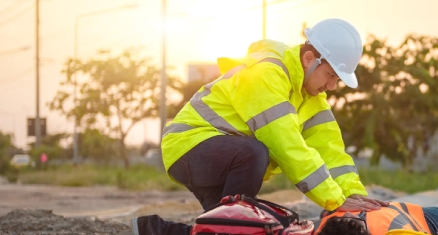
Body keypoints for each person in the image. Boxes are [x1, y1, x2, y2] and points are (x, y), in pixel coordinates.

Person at [161, 18, 387, 215]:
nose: (332, 85)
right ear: (309, 59)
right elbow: (286, 145)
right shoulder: (267, 74)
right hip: (188, 147)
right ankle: (233, 227)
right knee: (253, 159)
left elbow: (332, 154)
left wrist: (357, 198)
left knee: (234, 233)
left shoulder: (311, 98)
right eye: (330, 75)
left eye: (337, 79)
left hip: (222, 155)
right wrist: (335, 201)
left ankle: (153, 233)